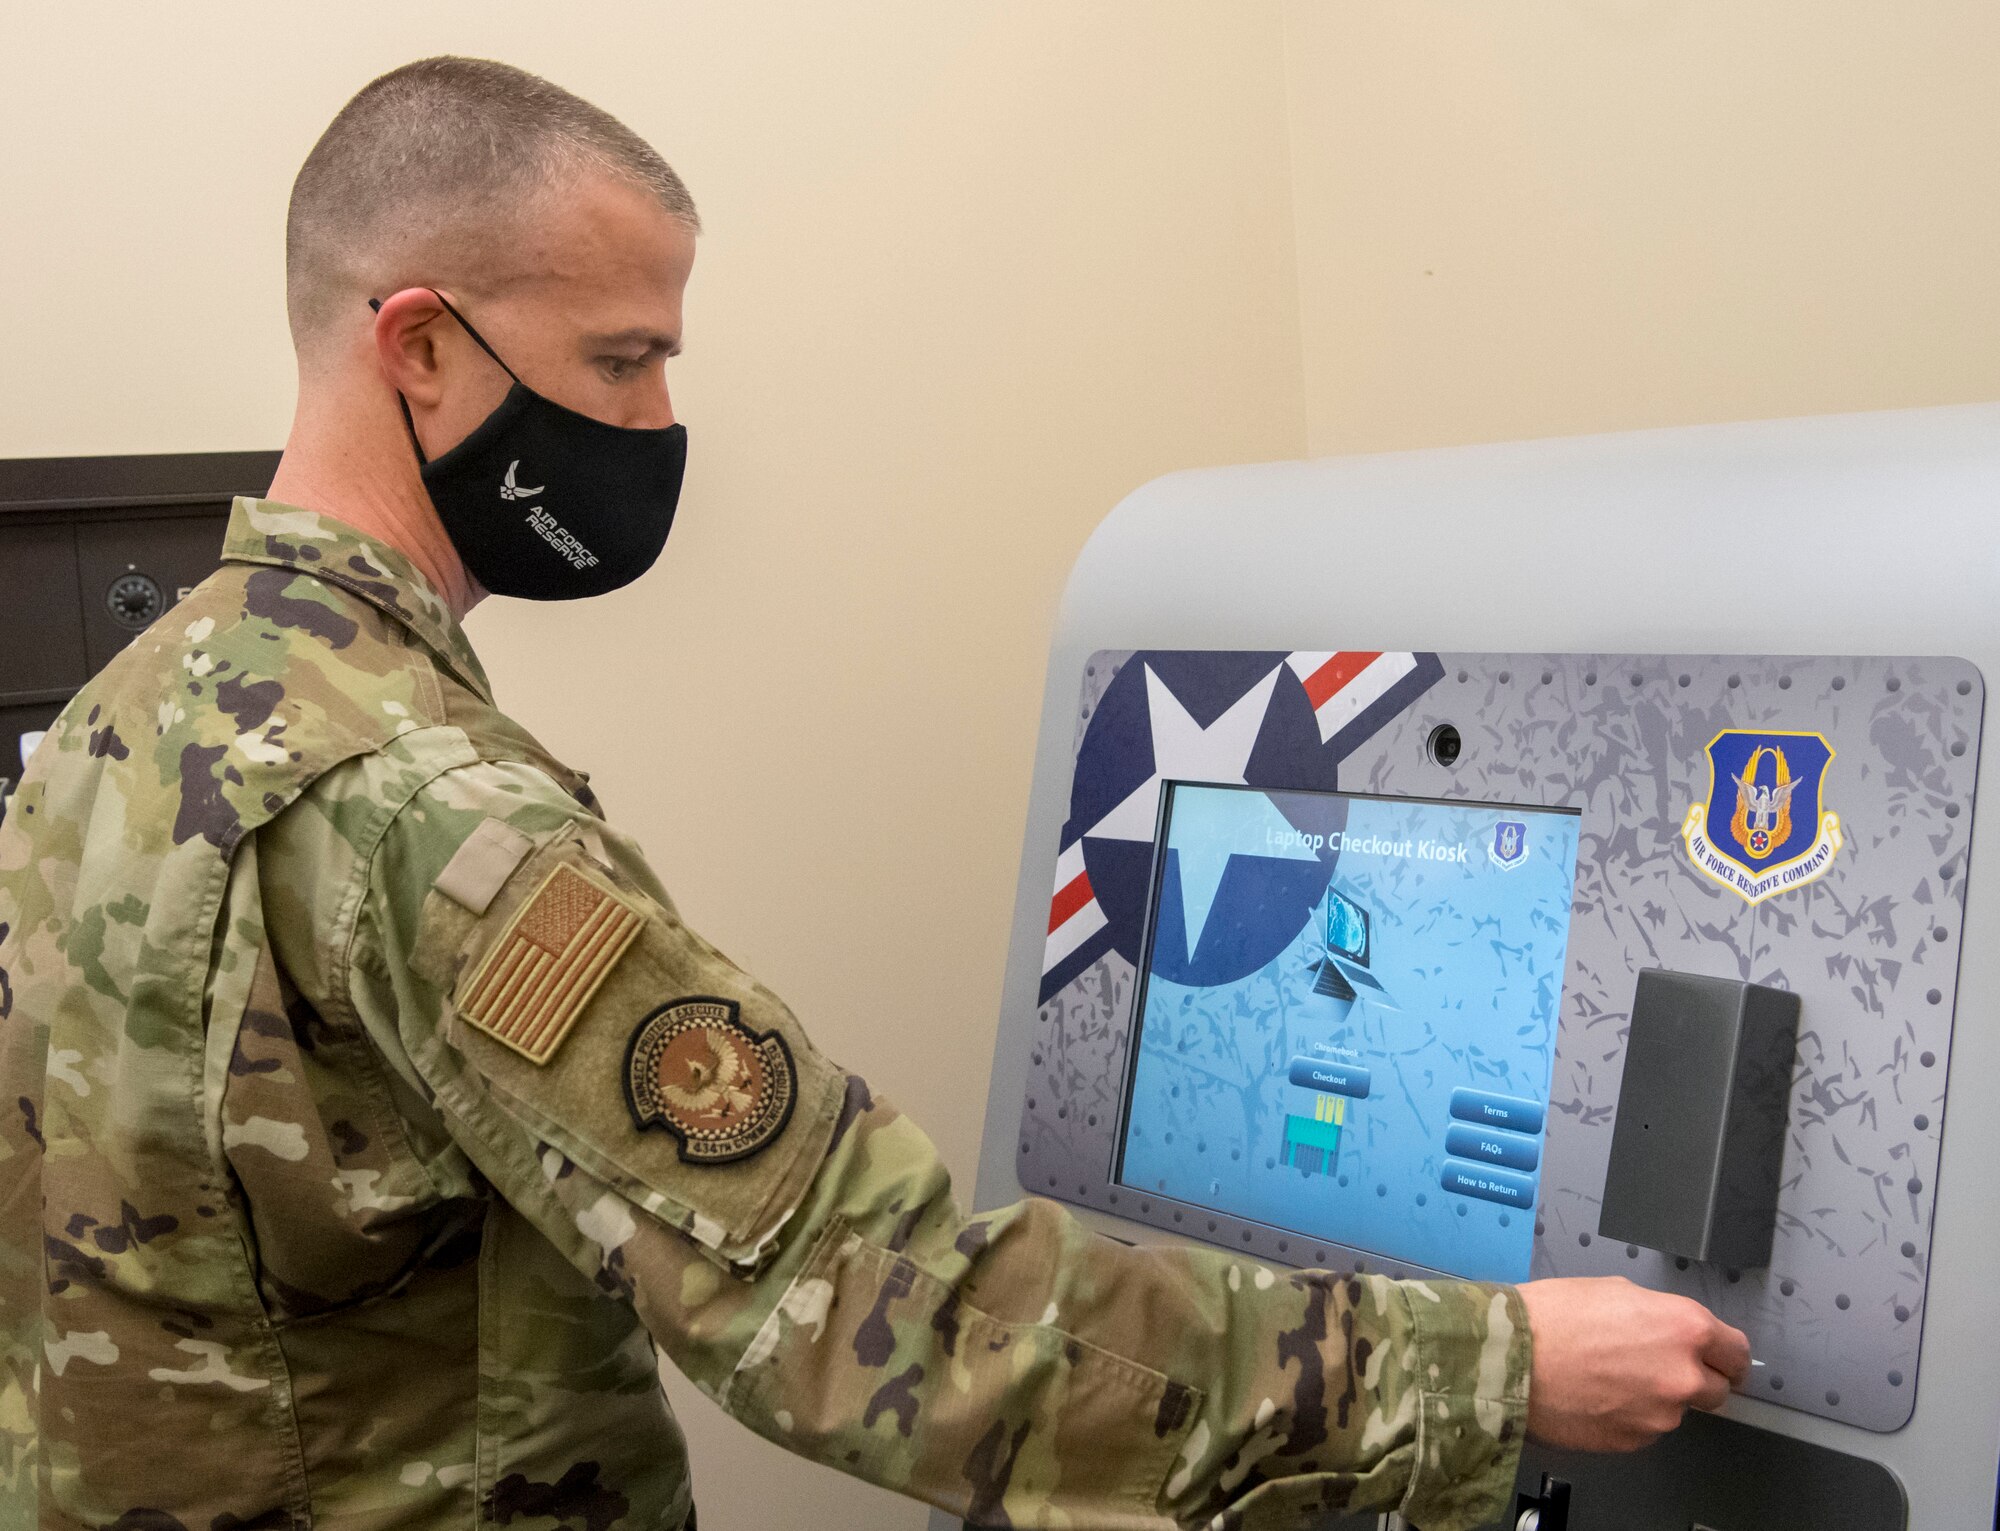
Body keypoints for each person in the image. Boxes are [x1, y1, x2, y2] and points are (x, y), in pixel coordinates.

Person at [0, 56, 1747, 1531]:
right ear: (423, 349)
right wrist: (1499, 1366)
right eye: (620, 361)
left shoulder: (124, 716)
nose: (663, 418)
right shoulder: (422, 808)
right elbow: (868, 1304)